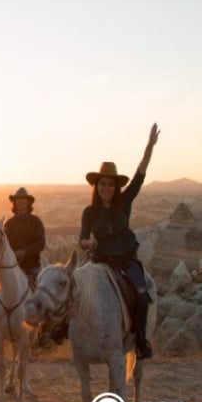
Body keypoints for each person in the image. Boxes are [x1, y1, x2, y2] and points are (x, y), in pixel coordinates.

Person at [79, 123, 160, 359]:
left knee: (141, 294)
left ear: (116, 187)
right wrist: (88, 244)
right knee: (73, 288)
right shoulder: (89, 212)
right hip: (100, 259)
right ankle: (64, 330)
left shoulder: (125, 201)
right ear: (96, 186)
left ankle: (140, 340)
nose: (106, 188)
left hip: (125, 259)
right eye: (102, 184)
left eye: (110, 184)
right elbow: (82, 239)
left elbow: (140, 174)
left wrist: (149, 146)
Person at [0, 187, 46, 342]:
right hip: (12, 270)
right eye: (18, 201)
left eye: (23, 201)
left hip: (31, 267)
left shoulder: (36, 222)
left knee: (41, 295)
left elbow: (41, 243)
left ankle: (43, 333)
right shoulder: (8, 224)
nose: (21, 203)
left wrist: (25, 251)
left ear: (28, 203)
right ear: (14, 203)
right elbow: (3, 246)